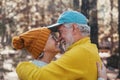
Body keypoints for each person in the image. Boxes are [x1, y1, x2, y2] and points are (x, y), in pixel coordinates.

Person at [15, 10, 107, 80]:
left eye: (61, 32)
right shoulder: (87, 48)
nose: (59, 37)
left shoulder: (79, 52)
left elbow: (40, 77)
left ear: (74, 28)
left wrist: (21, 67)